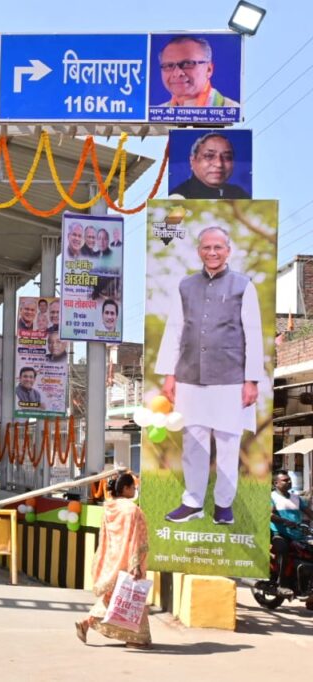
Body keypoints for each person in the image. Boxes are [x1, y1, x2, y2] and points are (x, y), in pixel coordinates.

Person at [157, 226, 263, 525]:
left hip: (231, 377)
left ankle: (223, 505)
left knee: (228, 442)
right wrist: (169, 375)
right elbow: (174, 330)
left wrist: (252, 380)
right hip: (189, 376)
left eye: (218, 247)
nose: (212, 252)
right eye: (207, 247)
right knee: (194, 442)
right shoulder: (185, 285)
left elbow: (253, 335)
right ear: (199, 251)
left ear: (228, 251)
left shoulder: (244, 285)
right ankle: (192, 502)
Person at [75, 472, 151, 649]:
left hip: (112, 559)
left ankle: (86, 623)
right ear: (125, 488)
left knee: (114, 599)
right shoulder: (131, 510)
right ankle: (135, 639)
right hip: (128, 560)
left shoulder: (109, 508)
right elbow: (136, 538)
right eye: (133, 487)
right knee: (130, 599)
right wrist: (135, 564)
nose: (135, 490)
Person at [156, 36, 240, 108]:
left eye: (188, 63)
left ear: (209, 69)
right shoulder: (154, 116)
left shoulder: (234, 112)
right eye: (169, 65)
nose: (177, 73)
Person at [269, 471, 312, 597]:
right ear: (276, 483)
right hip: (279, 534)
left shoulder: (296, 498)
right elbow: (269, 515)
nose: (289, 482)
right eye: (285, 480)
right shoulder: (271, 497)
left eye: (289, 480)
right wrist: (284, 521)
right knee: (283, 550)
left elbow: (309, 512)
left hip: (298, 534)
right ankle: (281, 584)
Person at [169, 133, 248, 199]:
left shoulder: (239, 194)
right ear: (193, 161)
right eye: (209, 156)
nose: (219, 164)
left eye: (227, 157)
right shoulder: (179, 197)